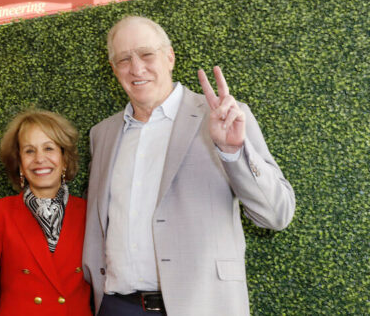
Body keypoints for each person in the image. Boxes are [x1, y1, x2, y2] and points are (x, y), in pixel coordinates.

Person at [82, 16, 296, 316]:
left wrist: (233, 152)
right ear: (114, 68)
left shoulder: (221, 117)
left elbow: (277, 214)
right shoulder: (102, 134)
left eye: (146, 54)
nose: (136, 68)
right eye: (123, 59)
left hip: (204, 305)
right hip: (119, 306)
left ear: (169, 57)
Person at [0, 109, 92, 314]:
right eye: (29, 151)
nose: (39, 159)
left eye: (49, 148)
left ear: (65, 159)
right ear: (20, 164)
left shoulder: (90, 212)